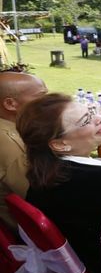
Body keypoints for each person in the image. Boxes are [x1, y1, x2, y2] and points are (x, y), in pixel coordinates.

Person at [17, 93, 101, 273]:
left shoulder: (44, 176)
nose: (98, 119)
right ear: (60, 144)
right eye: (86, 120)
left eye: (91, 112)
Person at [0, 72, 47, 229]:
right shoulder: (10, 143)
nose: (48, 102)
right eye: (41, 96)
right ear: (10, 104)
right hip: (29, 230)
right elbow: (39, 193)